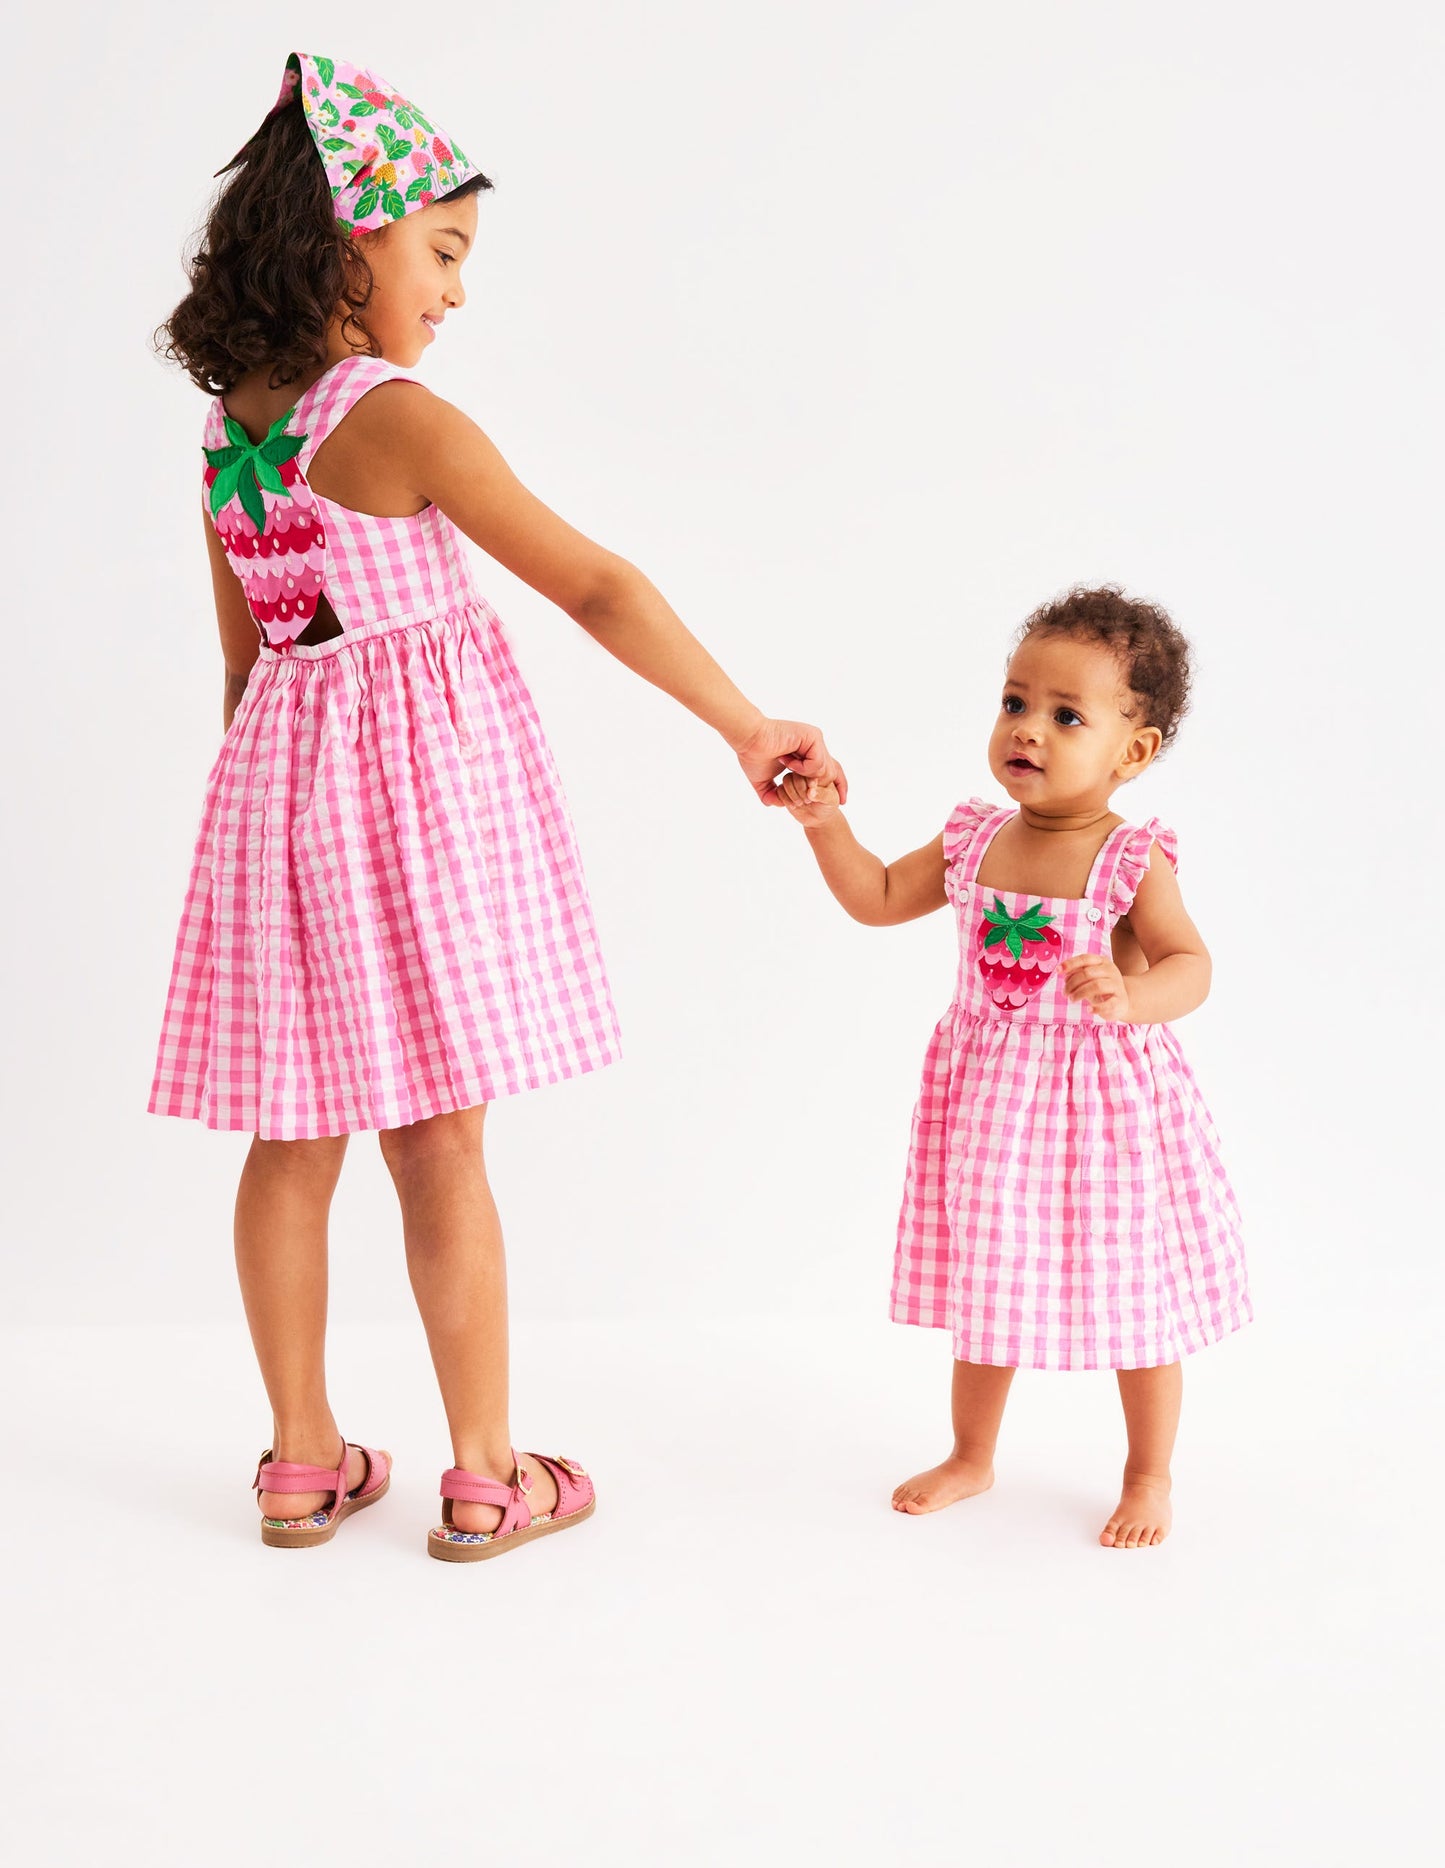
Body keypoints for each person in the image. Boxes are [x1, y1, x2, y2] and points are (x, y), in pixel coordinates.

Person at [147, 51, 843, 1562]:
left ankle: (298, 1460)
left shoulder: (230, 426)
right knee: (440, 1147)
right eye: (443, 253)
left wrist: (260, 847)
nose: (456, 292)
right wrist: (744, 723)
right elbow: (592, 581)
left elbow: (243, 660)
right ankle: (483, 1470)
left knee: (291, 1136)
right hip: (415, 808)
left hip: (279, 796)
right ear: (354, 243)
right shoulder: (396, 415)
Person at [778, 585, 1249, 1548]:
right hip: (994, 1106)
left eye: (1065, 715)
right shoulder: (972, 839)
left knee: (1136, 1289)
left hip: (1104, 1106)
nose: (1026, 729)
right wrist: (823, 823)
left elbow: (1190, 966)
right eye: (1014, 702)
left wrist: (1132, 996)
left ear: (1133, 751)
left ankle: (1148, 1473)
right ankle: (970, 1453)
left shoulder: (1128, 860)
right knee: (985, 1282)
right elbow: (872, 897)